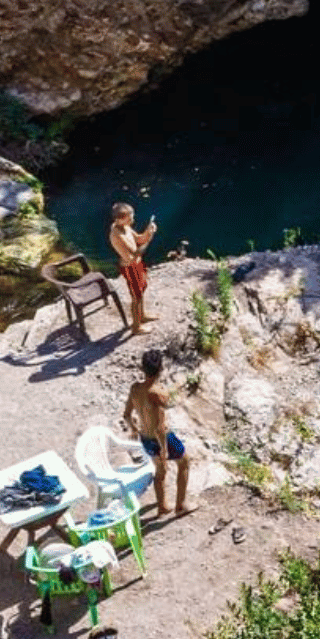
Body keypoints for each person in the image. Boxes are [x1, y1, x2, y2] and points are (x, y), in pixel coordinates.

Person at [122, 347, 189, 516]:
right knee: (185, 462)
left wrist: (134, 430)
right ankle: (180, 506)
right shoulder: (157, 394)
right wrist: (164, 451)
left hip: (145, 438)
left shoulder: (135, 388)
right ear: (160, 369)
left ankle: (162, 506)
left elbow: (127, 415)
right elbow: (160, 426)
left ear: (142, 369)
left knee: (160, 472)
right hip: (162, 439)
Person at [109, 202, 159, 335]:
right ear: (119, 219)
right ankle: (136, 328)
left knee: (141, 291)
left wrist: (148, 232)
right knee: (136, 297)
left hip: (137, 264)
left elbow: (139, 239)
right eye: (129, 217)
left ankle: (142, 316)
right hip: (130, 267)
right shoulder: (117, 234)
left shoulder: (125, 226)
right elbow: (136, 253)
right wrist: (150, 238)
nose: (132, 219)